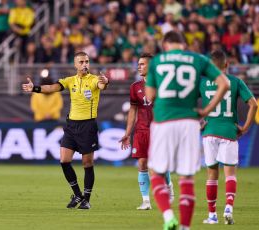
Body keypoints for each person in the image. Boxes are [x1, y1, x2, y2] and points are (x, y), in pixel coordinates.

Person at [145, 31, 229, 230]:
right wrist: (206, 110)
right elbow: (224, 83)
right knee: (186, 179)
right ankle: (184, 227)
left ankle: (168, 217)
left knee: (156, 173)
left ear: (165, 45)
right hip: (190, 123)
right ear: (183, 44)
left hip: (163, 121)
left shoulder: (157, 61)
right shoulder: (197, 59)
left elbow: (150, 95)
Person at [22, 51, 109, 209]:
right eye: (81, 62)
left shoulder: (95, 79)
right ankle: (77, 195)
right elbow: (52, 87)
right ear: (75, 65)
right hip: (71, 126)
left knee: (87, 163)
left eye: (87, 61)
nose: (84, 64)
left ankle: (86, 199)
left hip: (87, 125)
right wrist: (34, 88)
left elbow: (102, 85)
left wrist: (105, 81)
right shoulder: (70, 81)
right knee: (64, 160)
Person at [200, 49, 257, 225]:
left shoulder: (202, 83)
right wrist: (245, 128)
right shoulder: (235, 81)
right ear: (227, 65)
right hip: (229, 131)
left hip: (209, 132)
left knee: (212, 174)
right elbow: (253, 105)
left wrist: (200, 119)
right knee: (230, 173)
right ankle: (229, 208)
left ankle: (212, 216)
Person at [120, 53, 174, 210]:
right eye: (138, 63)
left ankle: (168, 185)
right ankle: (146, 201)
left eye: (142, 63)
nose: (139, 66)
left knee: (158, 165)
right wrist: (127, 133)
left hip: (160, 129)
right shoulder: (135, 87)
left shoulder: (163, 83)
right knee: (142, 163)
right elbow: (133, 110)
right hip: (141, 130)